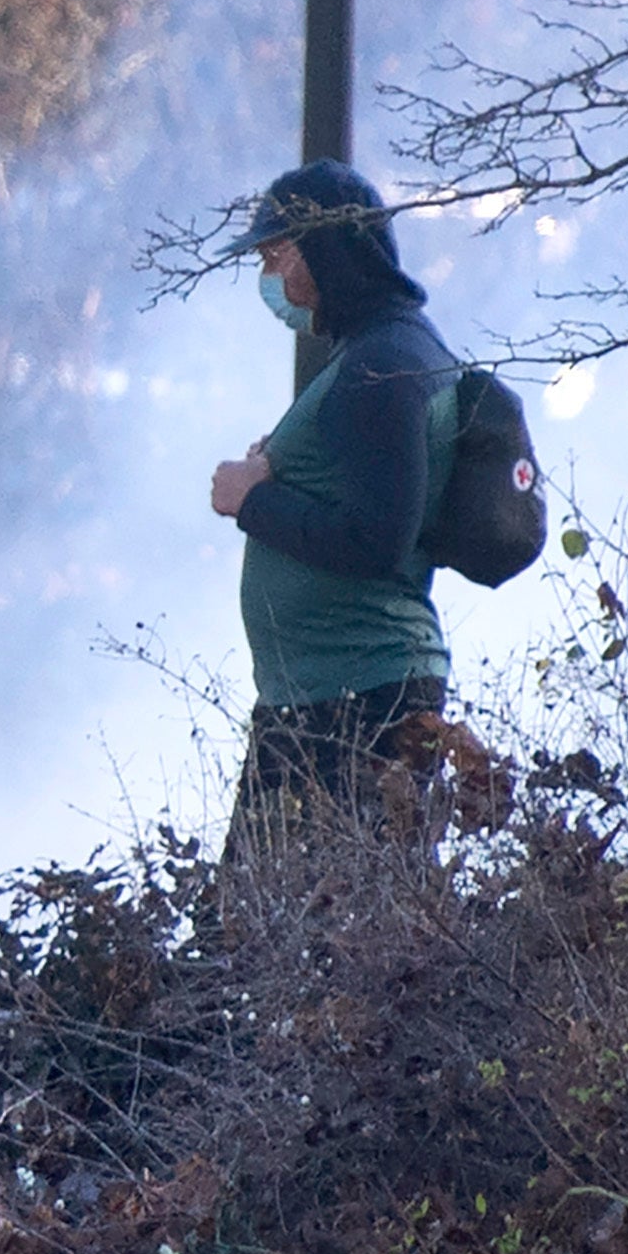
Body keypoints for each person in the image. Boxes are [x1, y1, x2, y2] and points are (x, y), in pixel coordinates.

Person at [207, 160, 457, 865]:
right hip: (331, 693)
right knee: (295, 926)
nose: (268, 274)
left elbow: (376, 540)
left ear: (325, 251)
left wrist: (252, 499)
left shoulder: (381, 366)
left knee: (262, 931)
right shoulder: (385, 349)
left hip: (352, 701)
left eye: (275, 254)